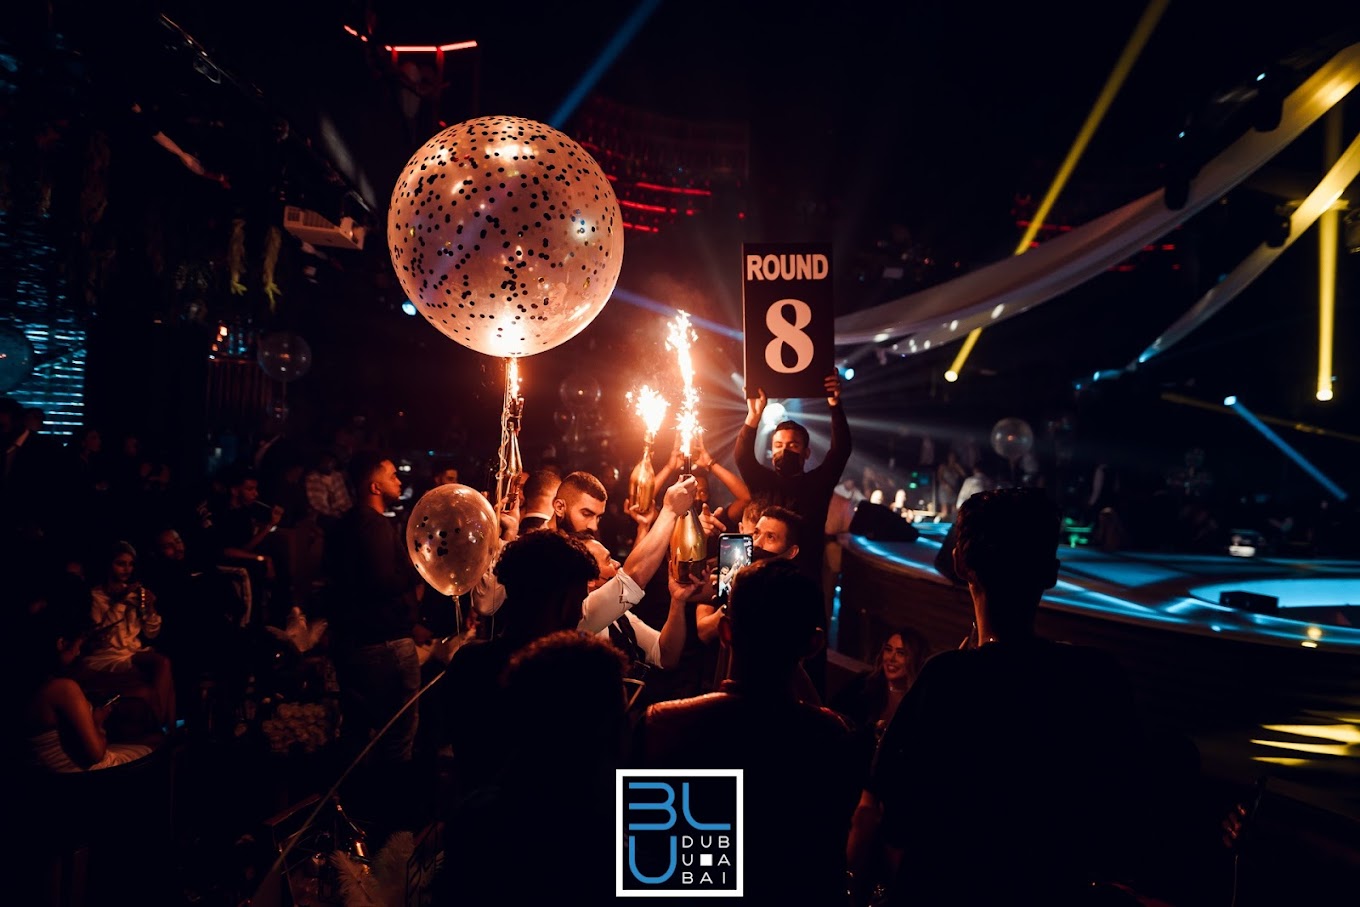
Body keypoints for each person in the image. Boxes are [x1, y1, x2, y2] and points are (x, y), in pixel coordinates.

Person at [864, 488, 1148, 906]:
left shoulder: (945, 680)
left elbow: (892, 813)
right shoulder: (1098, 679)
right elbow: (1123, 823)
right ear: (1051, 572)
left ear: (960, 563)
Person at [633, 559, 859, 904]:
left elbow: (649, 865)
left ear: (725, 632)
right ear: (813, 645)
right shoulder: (834, 739)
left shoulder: (662, 724)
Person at [323, 450, 429, 826]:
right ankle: (391, 821)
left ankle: (352, 814)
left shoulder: (343, 525)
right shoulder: (375, 527)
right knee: (397, 735)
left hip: (352, 644)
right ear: (374, 485)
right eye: (391, 474)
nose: (398, 480)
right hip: (385, 646)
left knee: (357, 730)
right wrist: (415, 573)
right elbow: (383, 581)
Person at [735, 372, 851, 585]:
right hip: (761, 578)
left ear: (806, 453)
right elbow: (742, 457)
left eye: (793, 445)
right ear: (771, 451)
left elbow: (840, 451)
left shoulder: (818, 483)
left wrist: (835, 405)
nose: (785, 450)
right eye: (778, 445)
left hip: (804, 581)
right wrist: (753, 416)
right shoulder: (762, 482)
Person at [76, 540, 176, 732]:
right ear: (108, 564)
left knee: (165, 664)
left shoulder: (134, 593)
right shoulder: (95, 596)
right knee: (162, 665)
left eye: (130, 564)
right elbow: (102, 636)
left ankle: (165, 729)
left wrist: (150, 608)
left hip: (130, 652)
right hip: (105, 655)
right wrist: (121, 602)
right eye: (121, 563)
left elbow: (151, 633)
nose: (127, 569)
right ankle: (159, 727)